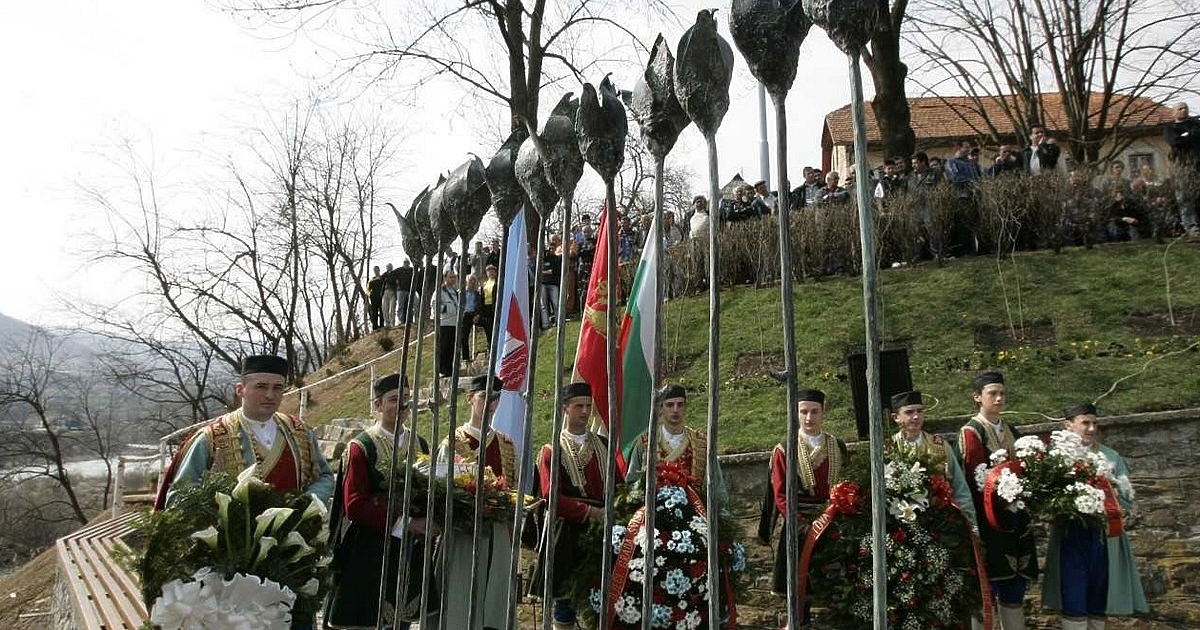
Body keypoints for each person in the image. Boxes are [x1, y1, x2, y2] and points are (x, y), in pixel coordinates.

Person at [326, 374, 432, 629]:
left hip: (410, 549)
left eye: (405, 399)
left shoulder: (419, 443)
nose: (402, 405)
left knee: (401, 619)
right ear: (377, 405)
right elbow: (354, 504)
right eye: (394, 399)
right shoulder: (361, 446)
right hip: (371, 547)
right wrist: (405, 523)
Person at [158, 355, 334, 508]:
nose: (270, 395)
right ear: (240, 390)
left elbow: (325, 475)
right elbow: (179, 497)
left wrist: (308, 502)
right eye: (261, 387)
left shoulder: (300, 432)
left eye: (277, 388)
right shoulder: (212, 438)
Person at [1041, 403, 1148, 629]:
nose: (1091, 429)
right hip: (1070, 536)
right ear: (1068, 426)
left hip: (1104, 537)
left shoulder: (1111, 457)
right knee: (1073, 597)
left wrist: (1110, 500)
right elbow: (1044, 497)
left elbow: (1127, 499)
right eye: (1085, 423)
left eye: (1095, 423)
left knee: (1099, 599)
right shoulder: (1055, 457)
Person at [433, 375, 516, 630]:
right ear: (470, 399)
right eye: (484, 397)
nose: (490, 404)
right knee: (461, 595)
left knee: (496, 598)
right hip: (463, 531)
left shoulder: (506, 444)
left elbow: (512, 489)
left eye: (495, 398)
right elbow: (439, 489)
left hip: (498, 531)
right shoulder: (453, 442)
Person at [761, 389, 848, 628]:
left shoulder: (837, 446)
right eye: (804, 412)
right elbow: (780, 494)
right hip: (798, 525)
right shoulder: (784, 448)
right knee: (798, 579)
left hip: (833, 521)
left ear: (823, 413)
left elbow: (848, 483)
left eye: (814, 412)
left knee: (836, 577)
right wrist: (800, 524)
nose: (809, 418)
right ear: (796, 414)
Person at [958, 371, 1037, 630]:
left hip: (1015, 517)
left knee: (1014, 587)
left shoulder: (1011, 429)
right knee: (989, 585)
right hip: (988, 518)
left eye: (1002, 393)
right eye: (993, 393)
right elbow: (973, 476)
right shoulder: (972, 431)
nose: (999, 398)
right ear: (977, 397)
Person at [535, 382, 607, 630]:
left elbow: (618, 486)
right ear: (565, 408)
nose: (585, 411)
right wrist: (590, 512)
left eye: (588, 406)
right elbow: (550, 496)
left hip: (601, 531)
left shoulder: (603, 446)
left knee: (601, 596)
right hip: (568, 533)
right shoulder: (551, 450)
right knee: (565, 602)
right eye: (579, 406)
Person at [625, 384, 727, 507]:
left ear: (685, 407)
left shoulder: (702, 443)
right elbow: (631, 484)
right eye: (670, 405)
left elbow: (717, 486)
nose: (675, 410)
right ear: (661, 408)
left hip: (696, 515)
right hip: (654, 515)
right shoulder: (646, 443)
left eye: (680, 405)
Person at [887, 390, 976, 527]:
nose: (916, 417)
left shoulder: (939, 445)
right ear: (896, 417)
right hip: (902, 521)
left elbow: (959, 485)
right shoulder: (888, 449)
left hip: (941, 519)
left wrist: (969, 518)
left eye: (920, 411)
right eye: (909, 412)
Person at [1163, 102, 1200, 238]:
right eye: (1180, 108)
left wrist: (1186, 135)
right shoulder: (1170, 127)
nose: (1184, 110)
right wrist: (1190, 135)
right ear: (1173, 113)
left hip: (1198, 165)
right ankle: (1191, 226)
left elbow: (1194, 135)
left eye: (1186, 108)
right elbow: (1174, 141)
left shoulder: (1196, 123)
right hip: (1182, 166)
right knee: (1185, 197)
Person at [436, 269, 461, 378]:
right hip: (444, 323)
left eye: (454, 277)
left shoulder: (456, 292)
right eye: (450, 277)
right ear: (445, 278)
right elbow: (435, 306)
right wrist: (447, 309)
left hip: (454, 323)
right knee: (444, 348)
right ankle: (442, 370)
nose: (453, 279)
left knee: (452, 348)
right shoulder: (440, 291)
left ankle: (450, 370)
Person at [461, 275, 482, 363]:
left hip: (473, 315)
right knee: (464, 337)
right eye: (471, 281)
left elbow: (480, 306)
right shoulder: (461, 293)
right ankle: (465, 357)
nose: (472, 283)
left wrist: (478, 315)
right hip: (464, 315)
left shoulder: (477, 294)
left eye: (474, 281)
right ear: (467, 282)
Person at [395, 260, 415, 327]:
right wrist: (397, 282)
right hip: (400, 290)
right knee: (401, 306)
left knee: (410, 306)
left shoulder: (412, 270)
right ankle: (401, 321)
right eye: (405, 262)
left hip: (410, 290)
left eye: (407, 262)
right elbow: (392, 276)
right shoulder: (399, 270)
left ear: (409, 263)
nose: (406, 264)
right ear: (403, 263)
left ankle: (410, 321)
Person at [368, 265, 385, 330]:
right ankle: (375, 326)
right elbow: (367, 290)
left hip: (381, 297)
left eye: (377, 270)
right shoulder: (371, 280)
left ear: (379, 270)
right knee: (374, 312)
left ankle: (382, 325)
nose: (376, 271)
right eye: (375, 270)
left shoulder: (382, 278)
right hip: (373, 298)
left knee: (382, 311)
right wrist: (370, 296)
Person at [382, 262, 398, 329]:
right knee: (385, 308)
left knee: (392, 308)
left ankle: (392, 323)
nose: (388, 268)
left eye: (390, 266)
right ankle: (387, 323)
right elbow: (381, 278)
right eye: (387, 267)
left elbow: (395, 281)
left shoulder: (395, 273)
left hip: (392, 292)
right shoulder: (385, 274)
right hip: (385, 292)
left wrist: (388, 279)